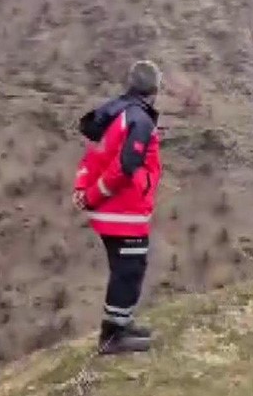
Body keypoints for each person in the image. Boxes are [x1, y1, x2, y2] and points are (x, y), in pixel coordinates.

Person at [71, 60, 164, 355]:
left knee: (126, 269)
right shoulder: (140, 120)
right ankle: (113, 336)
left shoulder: (116, 112)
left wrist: (82, 188)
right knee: (129, 270)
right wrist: (92, 195)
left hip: (112, 208)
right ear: (155, 90)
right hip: (122, 210)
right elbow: (125, 167)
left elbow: (92, 155)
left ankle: (120, 325)